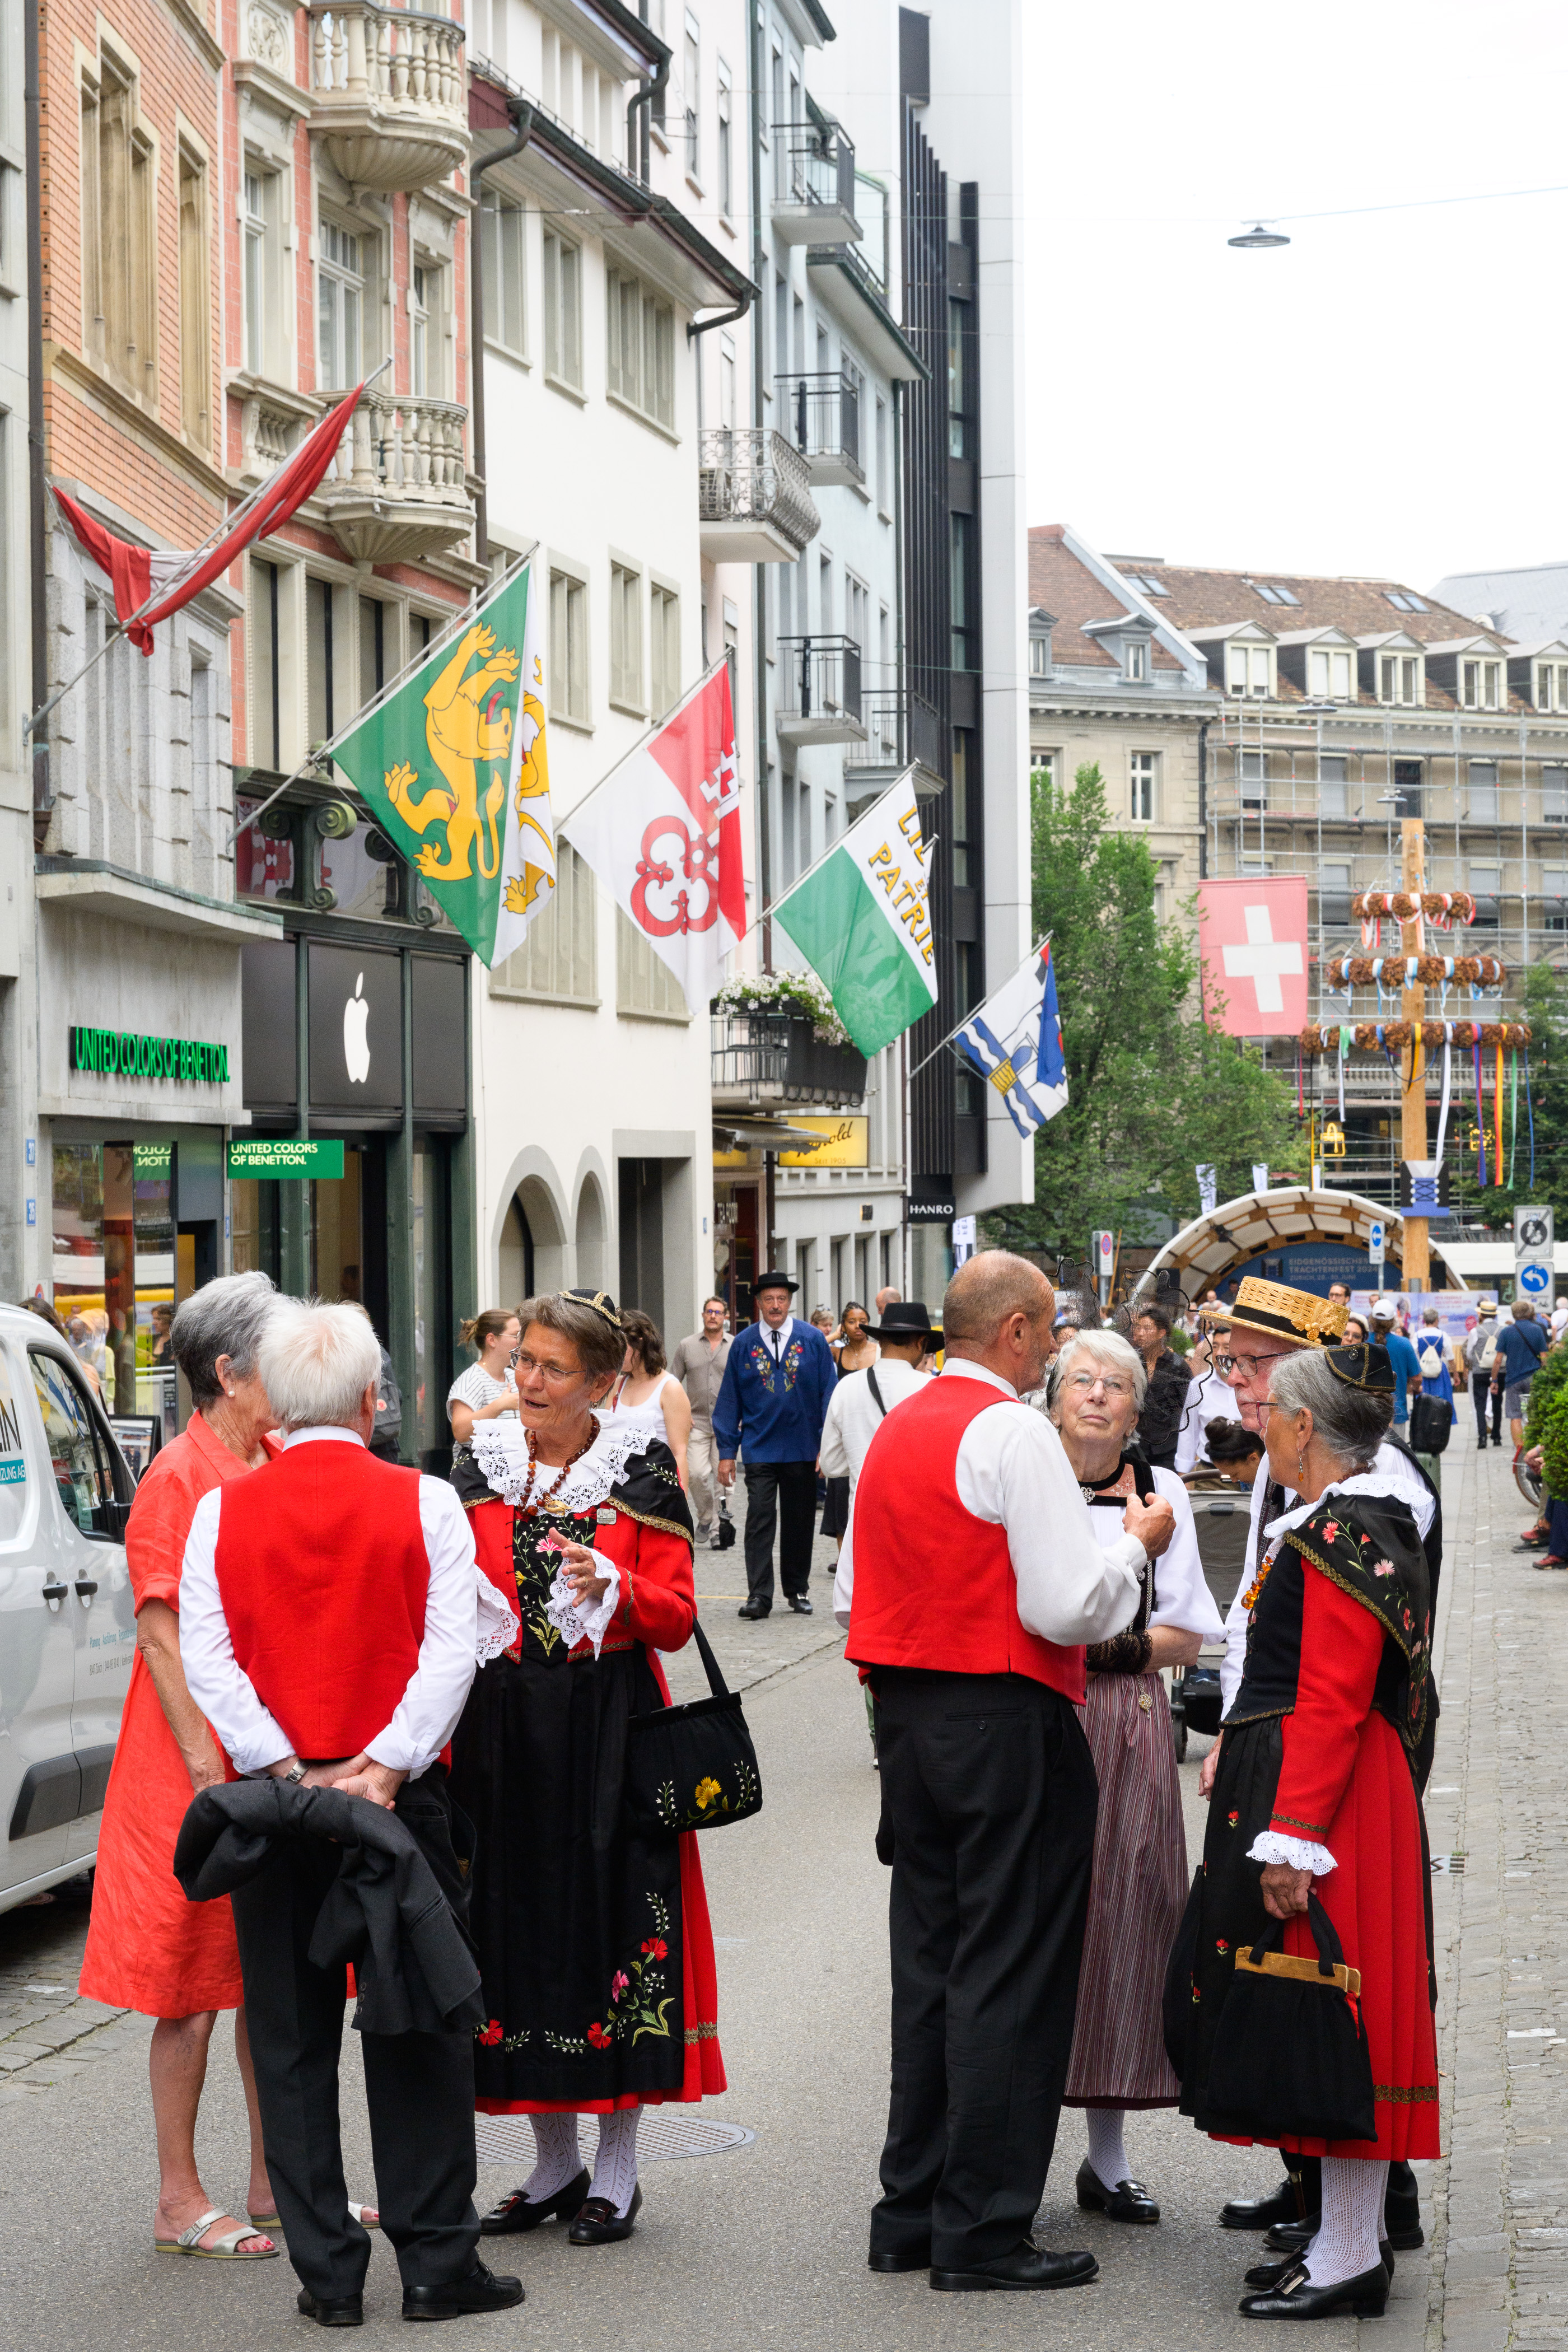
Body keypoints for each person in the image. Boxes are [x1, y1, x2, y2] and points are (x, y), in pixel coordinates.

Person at [179, 1300, 521, 2326]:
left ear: (277, 1405)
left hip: (277, 1810)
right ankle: (435, 2263)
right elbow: (450, 1649)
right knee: (417, 2028)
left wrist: (288, 1767)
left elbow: (211, 1659)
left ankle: (329, 2279)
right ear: (375, 1400)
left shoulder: (221, 1511)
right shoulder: (425, 1502)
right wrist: (382, 1768)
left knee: (287, 2039)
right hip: (398, 1806)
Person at [842, 1252, 1176, 2292]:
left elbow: (858, 1583)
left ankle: (912, 2209)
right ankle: (982, 2227)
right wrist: (1130, 1549)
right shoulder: (1012, 1429)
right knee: (1013, 1977)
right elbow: (1066, 1607)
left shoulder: (898, 1424)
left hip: (912, 1718)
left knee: (934, 1970)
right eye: (1050, 1333)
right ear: (1022, 1332)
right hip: (1005, 1709)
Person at [447, 1289, 725, 2249]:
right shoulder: (478, 1462)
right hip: (503, 1731)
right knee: (518, 1934)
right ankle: (553, 2163)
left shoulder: (640, 1465)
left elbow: (682, 1617)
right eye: (523, 1361)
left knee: (614, 1930)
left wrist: (624, 1585)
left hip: (610, 1724)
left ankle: (617, 2169)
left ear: (603, 1382)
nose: (527, 1381)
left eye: (552, 1368)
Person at [1177, 1343, 1440, 2321]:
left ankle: (1348, 2256)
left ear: (1303, 1427)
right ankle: (1343, 2243)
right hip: (1327, 1792)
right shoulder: (1345, 1522)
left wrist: (1293, 1836)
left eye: (1272, 1408)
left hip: (1328, 1802)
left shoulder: (1343, 1531)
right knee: (1323, 2015)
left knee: (1337, 2018)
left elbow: (1331, 1700)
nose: (1260, 1423)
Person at [79, 1273, 286, 2263]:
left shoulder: (274, 1455)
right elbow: (160, 1638)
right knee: (189, 1988)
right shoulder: (179, 1475)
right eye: (276, 1358)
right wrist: (209, 1771)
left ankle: (273, 2179)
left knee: (265, 1979)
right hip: (191, 1764)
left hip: (261, 1755)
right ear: (226, 1372)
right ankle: (177, 2198)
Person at [1044, 1329, 1222, 2225]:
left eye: (1118, 1384)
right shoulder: (1026, 1479)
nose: (1100, 1396)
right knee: (1035, 1926)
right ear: (1054, 1390)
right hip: (1038, 1721)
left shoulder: (1164, 1495)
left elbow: (1188, 1633)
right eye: (1083, 1379)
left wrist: (1101, 1649)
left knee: (1124, 1924)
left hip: (1125, 1722)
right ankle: (1008, 2149)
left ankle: (1106, 2162)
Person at [713, 1270, 836, 1620]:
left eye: (781, 1298)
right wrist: (726, 1453)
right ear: (759, 1303)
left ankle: (797, 1589)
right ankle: (759, 1595)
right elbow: (729, 1400)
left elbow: (829, 1392)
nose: (776, 1305)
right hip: (759, 1447)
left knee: (799, 1521)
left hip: (802, 1447)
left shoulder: (813, 1340)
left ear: (790, 1302)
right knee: (760, 1519)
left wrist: (827, 1444)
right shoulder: (744, 1343)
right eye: (769, 1299)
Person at [598, 1307, 692, 1492]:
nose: (615, 1355)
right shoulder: (618, 1384)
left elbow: (679, 1452)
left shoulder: (669, 1388)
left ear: (640, 1344)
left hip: (655, 1488)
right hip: (620, 1487)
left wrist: (680, 1502)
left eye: (621, 1348)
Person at [670, 1298, 732, 1544]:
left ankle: (717, 1532)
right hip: (696, 1421)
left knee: (723, 1480)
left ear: (725, 1316)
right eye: (710, 1311)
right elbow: (672, 1382)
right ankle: (706, 1517)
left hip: (726, 1424)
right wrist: (682, 1413)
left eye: (718, 1312)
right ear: (703, 1314)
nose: (714, 1316)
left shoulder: (735, 1347)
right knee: (695, 1474)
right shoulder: (687, 1346)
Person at [1128, 1300, 1192, 1471]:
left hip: (1168, 1446)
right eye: (1138, 1328)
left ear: (1161, 1333)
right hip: (1134, 1443)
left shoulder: (1178, 1366)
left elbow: (1188, 1407)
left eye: (1147, 1329)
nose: (1141, 1334)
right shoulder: (1130, 1363)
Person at [448, 1309, 522, 1449]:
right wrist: (500, 1405)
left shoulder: (514, 1375)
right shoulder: (472, 1380)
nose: (520, 1342)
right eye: (515, 1335)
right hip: (478, 1469)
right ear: (492, 1340)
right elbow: (460, 1431)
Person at [1175, 1331, 1243, 1473]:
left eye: (1226, 1348)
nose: (1219, 1354)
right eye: (1215, 1347)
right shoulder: (1199, 1385)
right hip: (1209, 1472)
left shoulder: (1251, 1384)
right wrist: (1184, 1475)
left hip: (1249, 1474)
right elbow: (1188, 1432)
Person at [1493, 1298, 1548, 1449]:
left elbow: (1498, 1360)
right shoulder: (1537, 1330)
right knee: (1534, 1413)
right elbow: (1544, 1357)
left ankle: (1520, 1449)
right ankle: (1534, 1445)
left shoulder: (1506, 1332)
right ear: (1529, 1312)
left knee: (1515, 1415)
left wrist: (1494, 1380)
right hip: (1534, 1378)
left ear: (1513, 1314)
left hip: (1513, 1380)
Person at [1368, 1300, 1422, 1436]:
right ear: (1393, 1321)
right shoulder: (1404, 1344)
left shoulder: (1363, 1342)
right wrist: (1412, 1387)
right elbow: (1417, 1378)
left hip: (1367, 1411)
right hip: (1396, 1412)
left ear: (1372, 1320)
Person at [1464, 1298, 1502, 1448]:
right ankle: (1497, 1437)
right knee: (1497, 1403)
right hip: (1499, 1372)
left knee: (1480, 1405)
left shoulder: (1475, 1331)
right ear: (1494, 1315)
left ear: (1481, 1315)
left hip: (1480, 1371)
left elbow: (1469, 1353)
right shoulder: (1502, 1330)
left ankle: (1482, 1439)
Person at [833, 1300, 878, 1373]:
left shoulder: (880, 1351)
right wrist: (836, 1335)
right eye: (852, 1322)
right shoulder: (837, 1352)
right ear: (843, 1326)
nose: (858, 1326)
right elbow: (813, 1348)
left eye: (863, 1322)